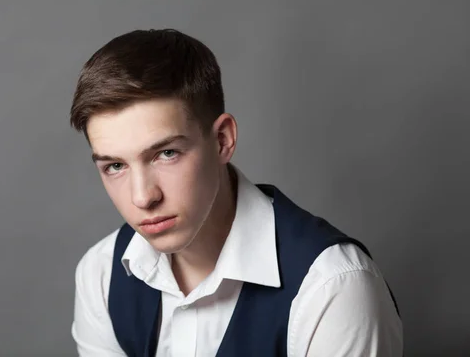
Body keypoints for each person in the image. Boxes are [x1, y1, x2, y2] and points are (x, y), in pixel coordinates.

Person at [69, 29, 403, 356]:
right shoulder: (101, 274)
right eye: (115, 166)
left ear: (222, 141)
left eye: (166, 153)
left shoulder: (333, 287)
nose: (143, 197)